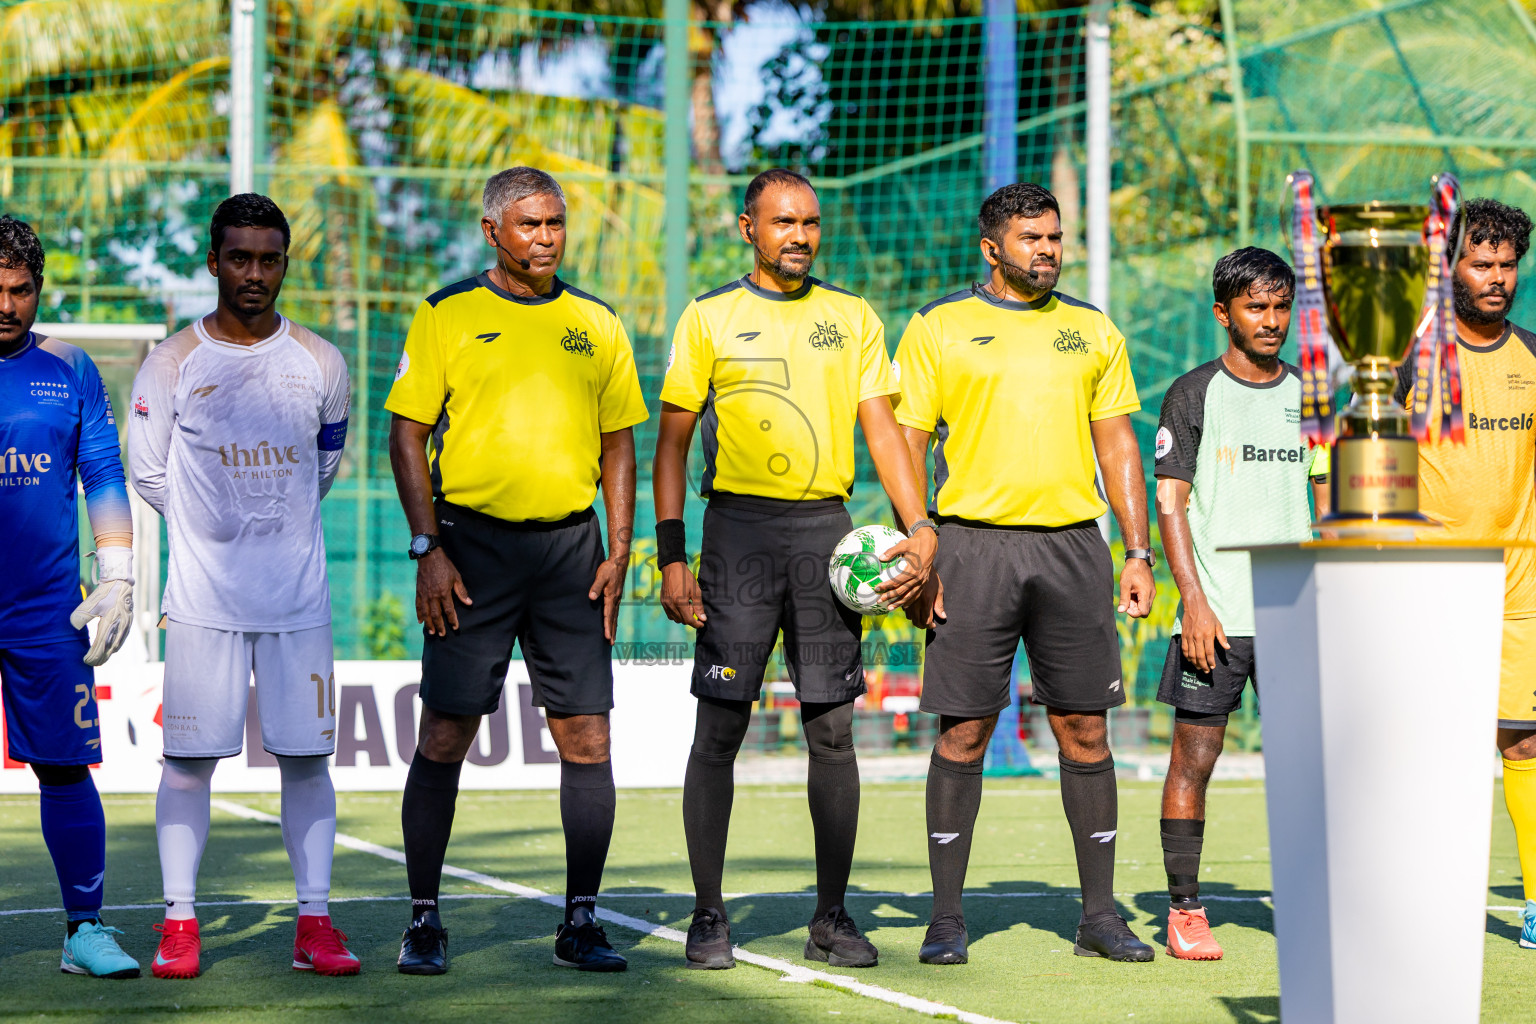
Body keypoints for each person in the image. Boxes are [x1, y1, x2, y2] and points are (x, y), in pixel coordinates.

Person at [653, 168, 937, 970]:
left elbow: (882, 430)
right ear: (749, 227)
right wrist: (672, 556)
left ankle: (833, 917)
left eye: (811, 222)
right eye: (783, 222)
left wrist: (919, 524)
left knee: (834, 732)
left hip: (828, 535)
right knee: (721, 728)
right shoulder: (709, 316)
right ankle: (708, 916)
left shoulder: (852, 317)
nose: (800, 236)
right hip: (737, 533)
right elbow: (671, 444)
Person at [386, 167, 647, 975]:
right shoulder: (446, 314)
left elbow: (617, 442)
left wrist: (619, 548)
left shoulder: (596, 322)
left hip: (572, 552)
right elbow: (407, 435)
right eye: (529, 224)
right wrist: (429, 549)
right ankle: (424, 921)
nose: (545, 237)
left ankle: (581, 921)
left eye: (555, 224)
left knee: (588, 737)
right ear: (492, 230)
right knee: (445, 733)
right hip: (471, 552)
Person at [894, 182, 1156, 965]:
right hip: (971, 548)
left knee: (1083, 727)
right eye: (1031, 238)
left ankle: (1100, 917)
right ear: (992, 248)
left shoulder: (1091, 329)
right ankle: (946, 918)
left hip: (1075, 547)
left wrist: (1137, 551)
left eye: (1054, 236)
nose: (1047, 249)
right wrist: (920, 548)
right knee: (965, 730)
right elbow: (907, 443)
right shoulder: (938, 327)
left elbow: (1118, 446)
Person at [128, 194, 357, 979]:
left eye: (268, 259)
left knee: (307, 762)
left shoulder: (323, 362)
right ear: (213, 261)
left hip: (298, 605)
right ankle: (181, 924)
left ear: (285, 263)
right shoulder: (170, 361)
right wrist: (215, 528)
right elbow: (151, 474)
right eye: (239, 258)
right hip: (202, 605)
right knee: (188, 765)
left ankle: (315, 922)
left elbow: (321, 467)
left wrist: (269, 522)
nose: (253, 273)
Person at [1152, 247, 1324, 960]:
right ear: (1223, 313)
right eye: (1256, 307)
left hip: (1298, 617)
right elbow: (1170, 503)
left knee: (1309, 766)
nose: (1272, 320)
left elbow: (1324, 495)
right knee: (1195, 756)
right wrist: (1194, 602)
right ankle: (1185, 909)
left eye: (1281, 306)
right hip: (1217, 616)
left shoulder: (1313, 397)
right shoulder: (1193, 393)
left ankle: (1316, 903)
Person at [1390, 198, 1536, 950]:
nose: (1498, 278)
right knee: (1430, 746)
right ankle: (1421, 901)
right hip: (1432, 578)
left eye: (1509, 264)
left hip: (1520, 581)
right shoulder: (1411, 357)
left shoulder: (1535, 357)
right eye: (1482, 262)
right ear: (1449, 268)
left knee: (1524, 743)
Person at [0, 215, 138, 978]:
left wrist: (116, 572)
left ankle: (85, 929)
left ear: (39, 290)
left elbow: (104, 475)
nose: (7, 305)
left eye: (21, 291)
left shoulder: (71, 366)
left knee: (63, 768)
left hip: (46, 608)